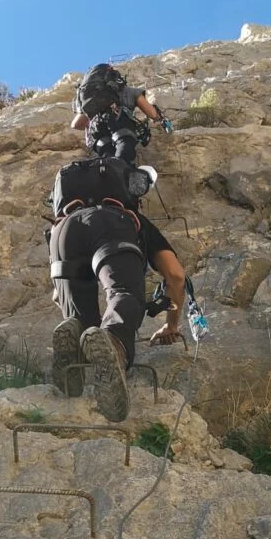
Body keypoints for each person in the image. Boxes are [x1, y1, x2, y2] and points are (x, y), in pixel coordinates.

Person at [48, 157, 185, 422]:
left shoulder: (61, 219)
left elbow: (57, 294)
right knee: (123, 293)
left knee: (81, 320)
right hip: (111, 228)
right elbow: (175, 275)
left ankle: (75, 335)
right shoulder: (132, 218)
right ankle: (114, 341)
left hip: (62, 235)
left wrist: (74, 308)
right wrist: (171, 325)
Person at [71, 63, 171, 165]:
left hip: (98, 129)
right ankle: (122, 170)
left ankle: (110, 174)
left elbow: (76, 124)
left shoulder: (91, 100)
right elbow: (152, 114)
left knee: (107, 156)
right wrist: (160, 117)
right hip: (120, 124)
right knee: (124, 148)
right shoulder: (129, 91)